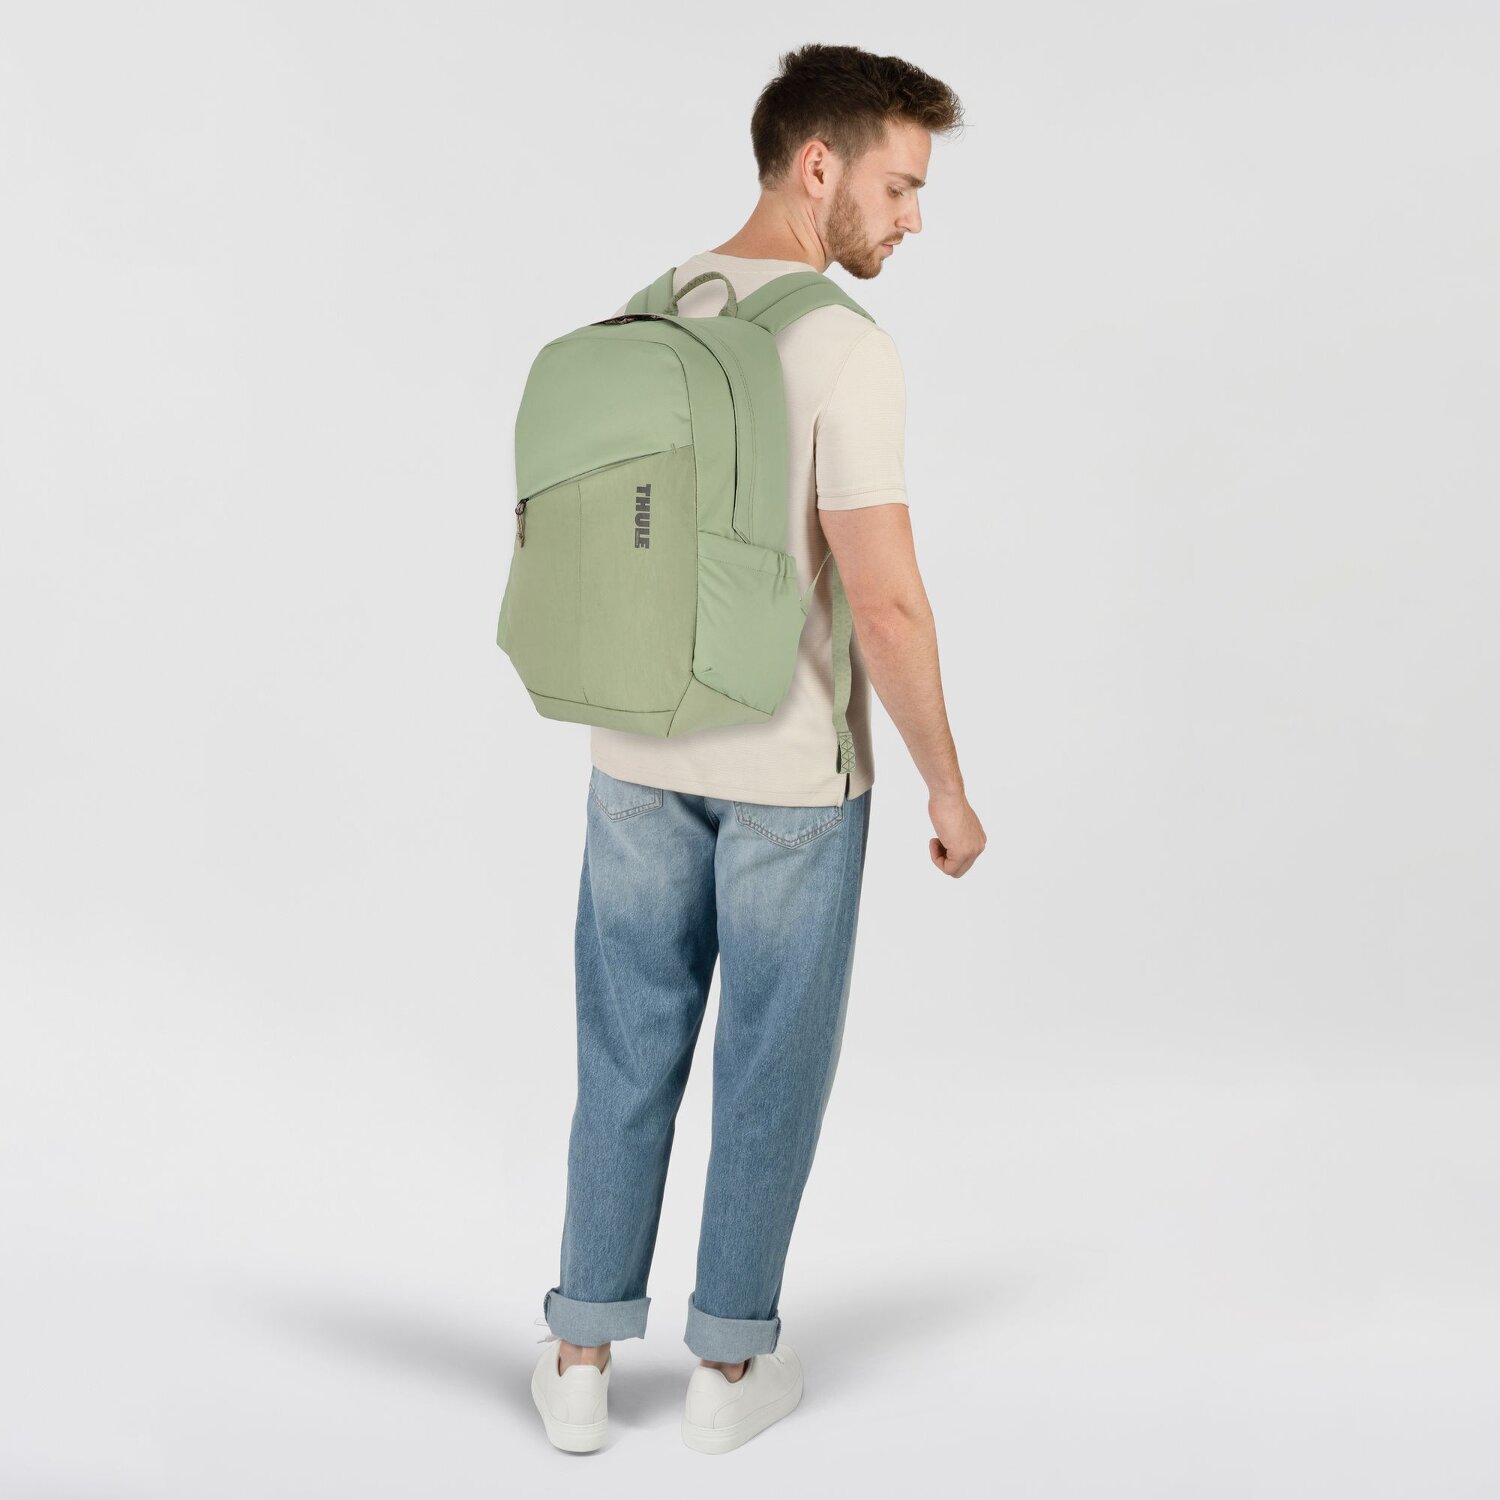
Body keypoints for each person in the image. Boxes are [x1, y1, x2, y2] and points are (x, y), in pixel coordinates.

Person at [530, 42, 985, 1455]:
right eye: (900, 186)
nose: (914, 218)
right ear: (817, 164)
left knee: (625, 1055)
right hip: (791, 780)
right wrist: (948, 787)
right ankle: (727, 1374)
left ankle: (580, 1359)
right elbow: (885, 602)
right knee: (769, 1069)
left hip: (630, 758)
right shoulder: (845, 349)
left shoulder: (642, 312)